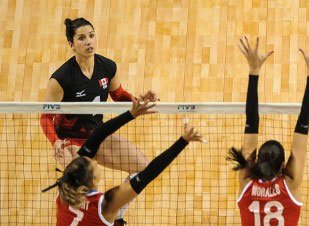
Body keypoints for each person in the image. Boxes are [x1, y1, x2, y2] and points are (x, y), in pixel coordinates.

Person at [40, 17, 158, 224]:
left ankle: (115, 217)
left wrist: (137, 100)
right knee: (80, 189)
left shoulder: (107, 67)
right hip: (71, 142)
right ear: (71, 44)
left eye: (91, 36)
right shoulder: (61, 79)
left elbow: (118, 94)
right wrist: (55, 141)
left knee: (142, 166)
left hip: (97, 135)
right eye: (82, 38)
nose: (88, 42)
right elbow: (45, 117)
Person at [43, 93, 205, 226]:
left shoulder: (64, 188)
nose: (94, 160)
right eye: (94, 164)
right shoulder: (106, 205)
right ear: (93, 182)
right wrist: (183, 140)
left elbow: (97, 136)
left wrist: (131, 114)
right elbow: (149, 173)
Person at [228, 37, 309, 226]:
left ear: (257, 160)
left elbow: (252, 122)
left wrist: (254, 71)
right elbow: (253, 122)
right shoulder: (288, 185)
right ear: (283, 165)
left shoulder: (247, 182)